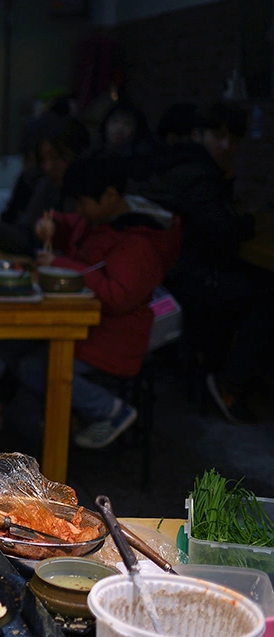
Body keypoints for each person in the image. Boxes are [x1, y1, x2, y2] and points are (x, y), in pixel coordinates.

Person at [0, 154, 181, 449]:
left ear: (109, 195)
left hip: (114, 338)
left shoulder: (138, 240)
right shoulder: (100, 219)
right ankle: (55, 423)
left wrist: (63, 266)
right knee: (10, 343)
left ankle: (109, 410)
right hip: (84, 326)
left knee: (38, 367)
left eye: (83, 203)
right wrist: (53, 225)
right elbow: (73, 225)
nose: (79, 211)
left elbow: (118, 297)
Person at [135, 102, 270, 423]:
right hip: (189, 277)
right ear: (199, 135)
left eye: (234, 140)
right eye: (219, 137)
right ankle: (229, 382)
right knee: (265, 293)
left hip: (175, 273)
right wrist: (249, 219)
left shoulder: (185, 165)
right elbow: (224, 230)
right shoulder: (198, 173)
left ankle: (218, 370)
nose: (227, 146)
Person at [0, 117, 90, 255]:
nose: (48, 167)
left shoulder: (90, 191)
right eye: (43, 160)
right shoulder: (46, 185)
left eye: (56, 158)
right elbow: (26, 235)